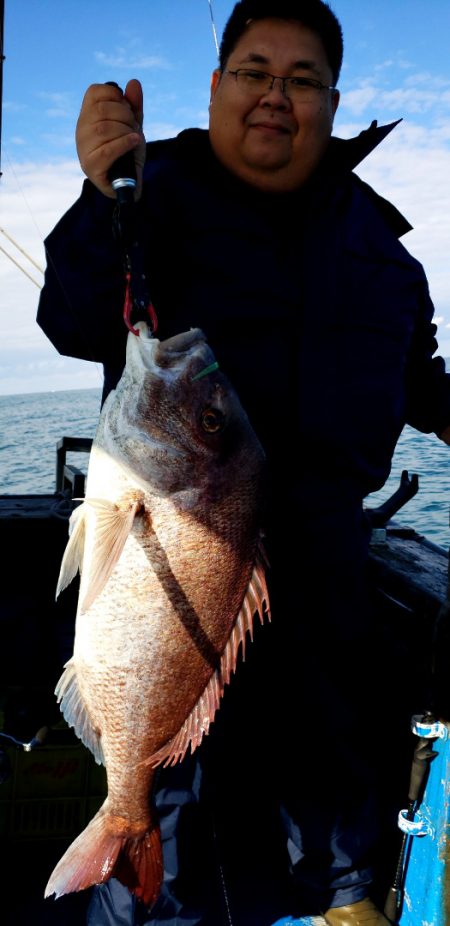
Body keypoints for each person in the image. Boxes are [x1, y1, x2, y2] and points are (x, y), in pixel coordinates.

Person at [37, 1, 450, 924]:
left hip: (328, 575)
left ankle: (344, 898)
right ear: (218, 86)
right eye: (255, 72)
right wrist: (102, 191)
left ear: (332, 102)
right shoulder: (150, 193)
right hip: (179, 555)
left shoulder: (382, 249)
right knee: (168, 833)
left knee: (334, 807)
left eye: (302, 80)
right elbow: (69, 316)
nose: (276, 95)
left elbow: (419, 376)